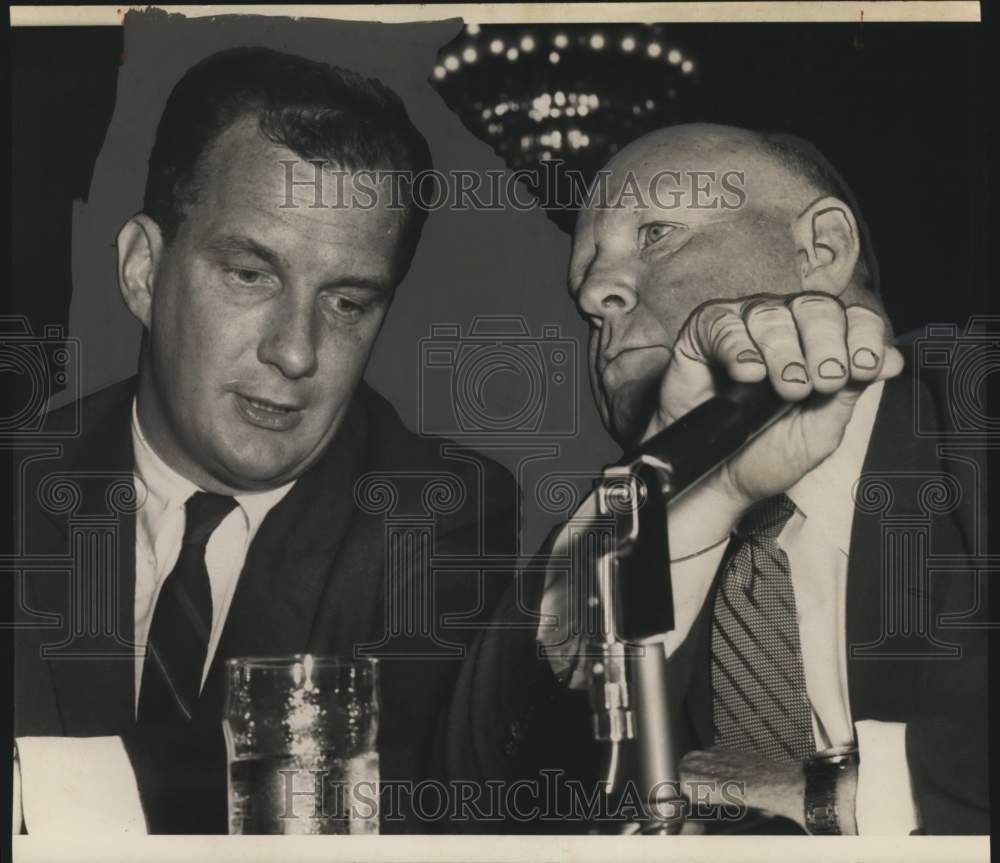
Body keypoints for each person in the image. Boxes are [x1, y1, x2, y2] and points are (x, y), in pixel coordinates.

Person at [12, 47, 516, 834]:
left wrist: (25, 788)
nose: (296, 352)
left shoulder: (439, 511)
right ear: (144, 270)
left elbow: (358, 796)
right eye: (251, 275)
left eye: (347, 302)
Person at [444, 123, 987, 835]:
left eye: (657, 234)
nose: (596, 296)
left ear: (819, 249)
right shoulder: (615, 535)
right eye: (584, 285)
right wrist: (691, 493)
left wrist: (838, 792)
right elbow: (482, 803)